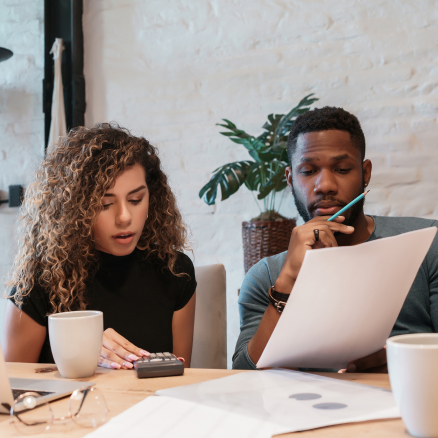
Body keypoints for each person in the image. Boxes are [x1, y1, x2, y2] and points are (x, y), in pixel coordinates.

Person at [233, 106, 438, 372]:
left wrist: (397, 358)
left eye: (341, 169)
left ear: (365, 173)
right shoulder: (266, 276)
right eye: (307, 171)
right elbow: (242, 375)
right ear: (290, 179)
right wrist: (288, 280)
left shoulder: (427, 243)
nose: (325, 185)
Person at [3, 123, 196, 369]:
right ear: (75, 209)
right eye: (105, 204)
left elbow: (182, 377)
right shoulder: (40, 281)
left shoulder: (174, 271)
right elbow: (12, 389)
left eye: (136, 199)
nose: (125, 217)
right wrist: (78, 351)